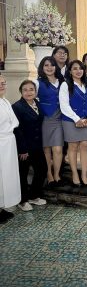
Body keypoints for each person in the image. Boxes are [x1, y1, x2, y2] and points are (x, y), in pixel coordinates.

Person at [60, 60, 87, 187]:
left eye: (80, 68)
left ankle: (84, 175)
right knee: (73, 147)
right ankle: (75, 174)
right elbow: (64, 105)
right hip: (70, 121)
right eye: (75, 68)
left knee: (85, 145)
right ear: (70, 71)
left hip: (86, 120)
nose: (78, 71)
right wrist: (76, 119)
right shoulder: (65, 85)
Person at [12, 80, 48, 212]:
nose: (28, 92)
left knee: (42, 169)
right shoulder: (17, 107)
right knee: (23, 174)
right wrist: (22, 149)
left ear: (35, 91)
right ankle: (22, 200)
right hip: (24, 148)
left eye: (31, 89)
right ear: (21, 92)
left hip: (37, 145)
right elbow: (17, 130)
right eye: (25, 90)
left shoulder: (37, 103)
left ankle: (34, 196)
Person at [35, 56, 64, 186]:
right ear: (42, 67)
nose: (49, 68)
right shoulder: (37, 82)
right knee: (46, 149)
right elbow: (31, 98)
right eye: (46, 65)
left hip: (59, 118)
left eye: (52, 65)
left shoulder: (62, 81)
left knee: (57, 149)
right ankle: (49, 174)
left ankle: (57, 174)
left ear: (55, 67)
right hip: (45, 118)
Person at [0, 74, 21, 223]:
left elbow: (14, 122)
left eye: (3, 83)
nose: (2, 86)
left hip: (8, 143)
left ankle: (2, 206)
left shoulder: (5, 101)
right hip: (1, 143)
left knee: (6, 176)